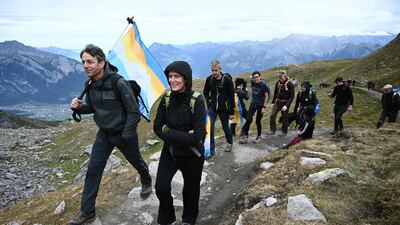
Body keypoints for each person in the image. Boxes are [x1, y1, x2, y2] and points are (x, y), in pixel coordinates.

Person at [69, 44, 152, 225]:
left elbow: (133, 112)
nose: (85, 65)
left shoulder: (118, 83)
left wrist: (127, 134)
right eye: (83, 62)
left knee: (136, 161)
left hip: (123, 133)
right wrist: (79, 108)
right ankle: (87, 212)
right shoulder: (90, 84)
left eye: (90, 62)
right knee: (93, 170)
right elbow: (92, 107)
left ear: (101, 62)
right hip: (104, 134)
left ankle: (146, 180)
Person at [153, 61, 206, 225]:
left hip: (192, 154)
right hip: (170, 151)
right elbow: (156, 127)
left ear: (185, 79)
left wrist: (168, 130)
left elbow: (196, 136)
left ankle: (188, 220)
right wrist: (183, 135)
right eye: (170, 76)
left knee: (190, 190)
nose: (172, 80)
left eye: (176, 76)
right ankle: (167, 219)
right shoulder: (166, 98)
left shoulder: (196, 101)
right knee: (161, 188)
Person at [203, 60, 235, 154]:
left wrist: (231, 112)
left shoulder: (227, 80)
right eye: (212, 70)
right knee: (209, 128)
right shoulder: (209, 79)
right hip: (212, 108)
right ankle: (211, 150)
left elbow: (231, 96)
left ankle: (229, 143)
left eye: (216, 70)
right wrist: (209, 102)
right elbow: (205, 92)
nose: (214, 73)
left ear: (220, 69)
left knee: (226, 127)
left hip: (224, 109)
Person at [239, 71, 270, 144]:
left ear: (260, 77)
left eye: (257, 77)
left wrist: (264, 107)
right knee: (248, 119)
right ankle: (245, 136)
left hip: (260, 105)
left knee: (257, 121)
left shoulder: (263, 85)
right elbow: (250, 79)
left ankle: (259, 136)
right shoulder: (252, 82)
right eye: (254, 77)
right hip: (253, 104)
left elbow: (266, 96)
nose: (256, 79)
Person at [269, 70, 295, 136]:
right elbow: (275, 93)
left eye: (282, 74)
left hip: (285, 102)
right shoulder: (278, 83)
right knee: (272, 115)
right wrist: (273, 102)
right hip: (278, 102)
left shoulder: (290, 84)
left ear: (285, 75)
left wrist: (287, 105)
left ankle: (284, 131)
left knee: (284, 117)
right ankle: (272, 130)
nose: (281, 77)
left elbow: (292, 96)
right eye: (280, 75)